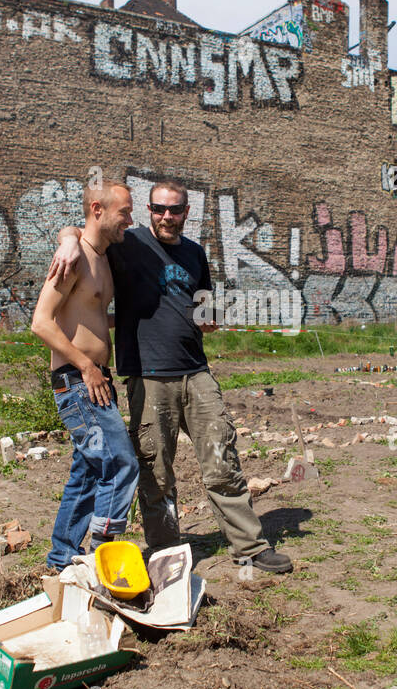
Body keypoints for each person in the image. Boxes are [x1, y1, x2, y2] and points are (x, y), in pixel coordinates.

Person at [50, 181, 292, 574]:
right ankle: (165, 552)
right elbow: (85, 230)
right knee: (155, 472)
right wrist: (67, 240)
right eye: (159, 209)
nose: (167, 216)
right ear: (149, 210)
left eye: (175, 210)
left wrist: (210, 318)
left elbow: (203, 310)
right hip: (148, 375)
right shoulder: (127, 243)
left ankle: (250, 547)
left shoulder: (196, 254)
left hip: (196, 372)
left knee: (222, 459)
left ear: (186, 212)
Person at [31, 179, 139, 571]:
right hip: (78, 382)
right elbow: (41, 323)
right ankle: (103, 556)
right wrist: (86, 365)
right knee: (121, 464)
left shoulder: (100, 256)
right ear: (98, 209)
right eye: (124, 211)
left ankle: (61, 559)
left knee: (88, 470)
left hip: (94, 378)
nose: (131, 218)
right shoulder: (71, 259)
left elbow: (91, 318)